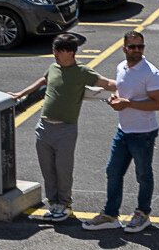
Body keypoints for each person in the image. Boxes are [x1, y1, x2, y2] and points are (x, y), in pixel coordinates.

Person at [87, 30, 159, 232]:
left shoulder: (151, 73)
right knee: (113, 171)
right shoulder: (121, 67)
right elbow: (121, 88)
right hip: (123, 131)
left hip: (144, 133)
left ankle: (142, 213)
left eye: (140, 46)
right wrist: (116, 97)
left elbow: (158, 104)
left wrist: (127, 103)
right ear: (124, 49)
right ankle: (110, 215)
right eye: (132, 47)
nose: (137, 50)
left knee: (143, 175)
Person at [36, 33, 112, 221]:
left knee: (63, 169)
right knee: (47, 170)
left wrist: (129, 88)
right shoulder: (53, 67)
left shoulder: (82, 71)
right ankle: (53, 204)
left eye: (58, 51)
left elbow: (106, 83)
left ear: (70, 53)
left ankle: (65, 204)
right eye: (54, 50)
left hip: (65, 130)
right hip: (44, 127)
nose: (54, 54)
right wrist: (20, 94)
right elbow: (43, 80)